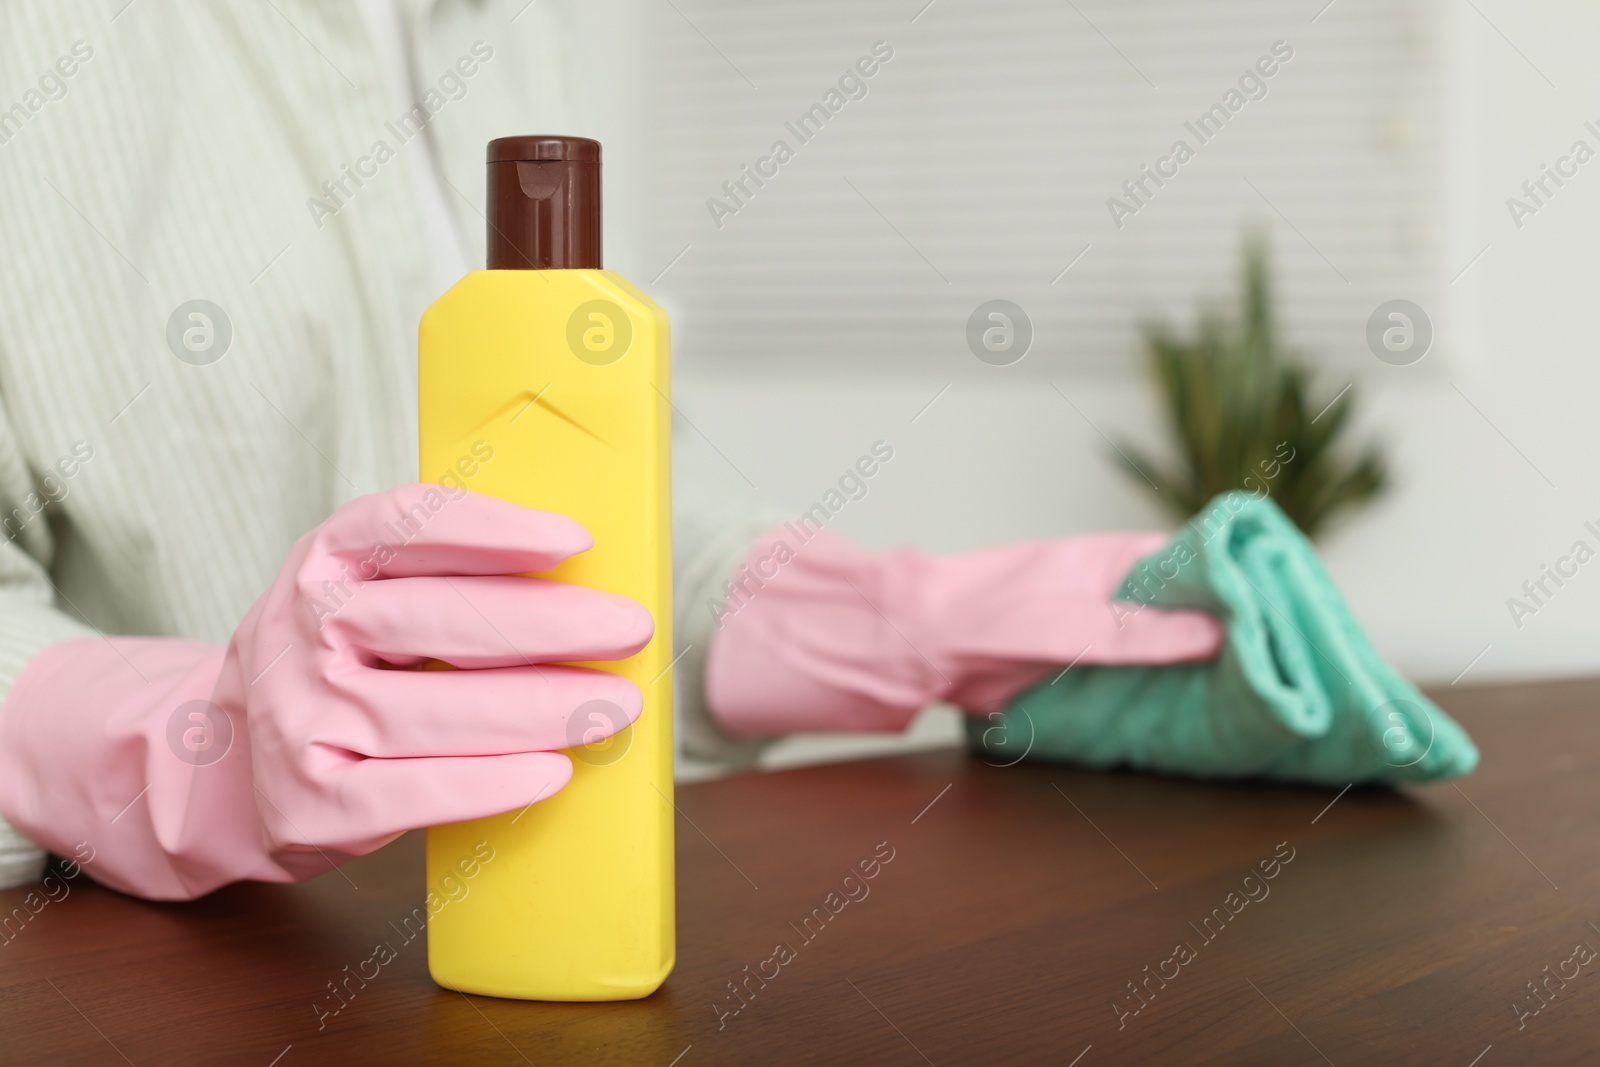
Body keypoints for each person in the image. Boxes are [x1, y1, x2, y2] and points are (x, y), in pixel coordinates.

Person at [0, 0, 1220, 900]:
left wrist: (870, 614)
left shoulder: (508, 25)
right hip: (184, 976)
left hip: (535, 898)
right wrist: (196, 738)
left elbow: (599, 496)